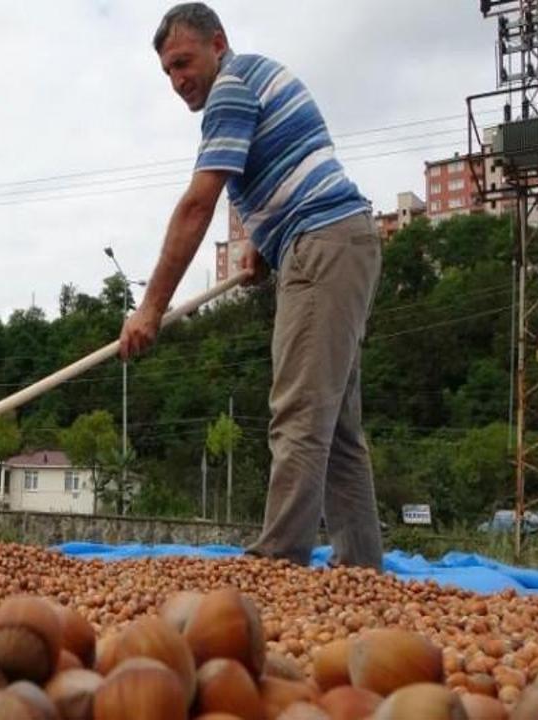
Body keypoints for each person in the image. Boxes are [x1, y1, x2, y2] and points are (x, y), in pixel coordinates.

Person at [118, 3, 384, 569]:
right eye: (167, 72)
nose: (177, 80)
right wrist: (264, 243)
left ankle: (276, 563)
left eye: (183, 62)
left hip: (321, 245)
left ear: (218, 43)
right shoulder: (257, 75)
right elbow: (294, 163)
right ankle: (361, 571)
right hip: (340, 240)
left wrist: (151, 306)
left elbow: (197, 205)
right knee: (334, 428)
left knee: (300, 412)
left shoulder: (230, 91)